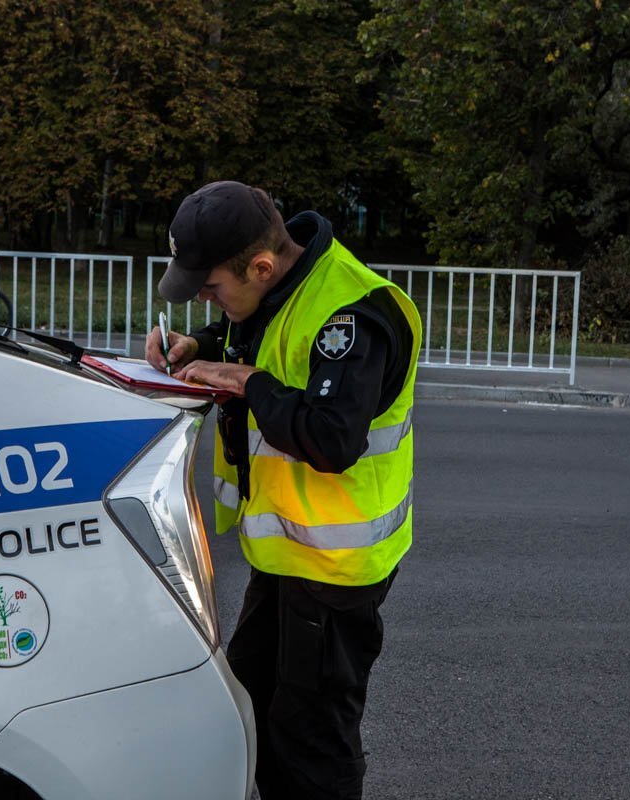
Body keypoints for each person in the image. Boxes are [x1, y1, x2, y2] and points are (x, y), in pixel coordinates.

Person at [146, 180, 422, 800]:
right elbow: (263, 338)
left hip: (334, 568)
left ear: (261, 266)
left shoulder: (353, 316)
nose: (210, 300)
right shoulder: (280, 287)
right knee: (252, 700)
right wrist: (204, 347)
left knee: (312, 736)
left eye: (212, 289)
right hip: (290, 557)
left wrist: (245, 381)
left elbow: (330, 437)